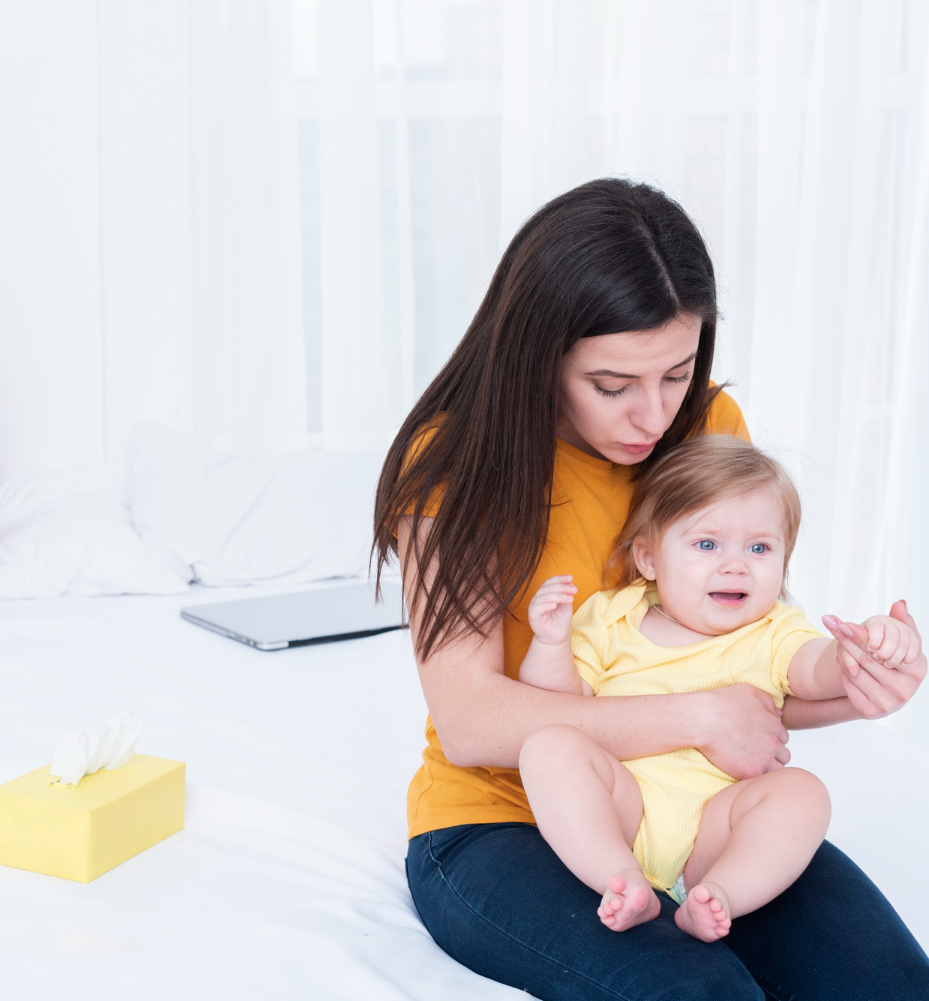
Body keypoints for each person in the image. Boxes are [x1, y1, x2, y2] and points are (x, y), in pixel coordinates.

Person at [372, 177, 929, 999]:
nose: (654, 416)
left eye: (676, 372)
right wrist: (696, 716)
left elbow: (746, 663)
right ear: (539, 355)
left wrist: (857, 684)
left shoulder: (710, 424)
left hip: (699, 810)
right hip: (502, 819)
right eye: (613, 385)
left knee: (891, 984)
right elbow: (469, 722)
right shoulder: (456, 463)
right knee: (703, 993)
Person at [517, 435, 923, 943]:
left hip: (713, 832)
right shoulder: (612, 616)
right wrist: (551, 644)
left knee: (803, 793)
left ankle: (721, 894)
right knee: (547, 746)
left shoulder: (773, 630)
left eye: (760, 548)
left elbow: (816, 669)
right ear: (648, 558)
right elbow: (555, 706)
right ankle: (620, 878)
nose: (736, 565)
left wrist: (862, 651)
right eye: (707, 544)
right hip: (621, 810)